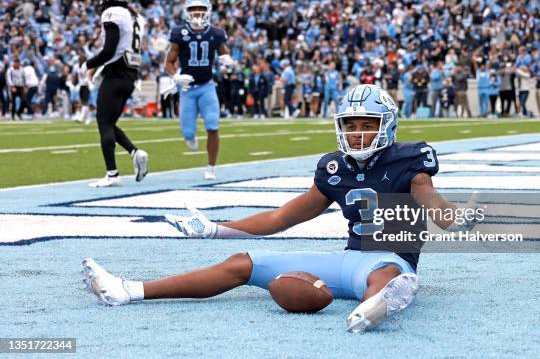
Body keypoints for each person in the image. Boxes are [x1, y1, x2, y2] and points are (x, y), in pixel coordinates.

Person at [82, 84, 478, 334]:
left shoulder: (410, 160)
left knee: (388, 274)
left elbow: (431, 200)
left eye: (367, 124)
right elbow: (282, 217)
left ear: (387, 126)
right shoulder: (334, 167)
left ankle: (382, 302)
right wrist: (217, 227)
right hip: (348, 262)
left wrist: (454, 218)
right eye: (351, 124)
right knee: (241, 262)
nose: (357, 133)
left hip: (389, 261)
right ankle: (128, 290)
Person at [84, 0, 149, 187]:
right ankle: (135, 152)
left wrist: (89, 64)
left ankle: (112, 174)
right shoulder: (136, 16)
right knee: (109, 123)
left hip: (116, 73)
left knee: (103, 122)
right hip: (131, 74)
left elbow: (109, 49)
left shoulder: (113, 13)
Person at [164, 0, 235, 180]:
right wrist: (176, 76)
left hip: (206, 86)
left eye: (201, 9)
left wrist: (227, 59)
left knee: (212, 125)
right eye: (193, 9)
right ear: (187, 12)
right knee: (188, 134)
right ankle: (190, 136)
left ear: (208, 11)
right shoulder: (180, 32)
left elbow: (224, 53)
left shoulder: (216, 33)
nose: (197, 13)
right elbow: (169, 62)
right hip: (187, 89)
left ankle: (211, 167)